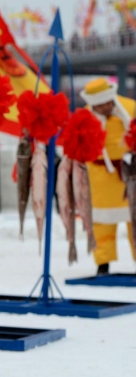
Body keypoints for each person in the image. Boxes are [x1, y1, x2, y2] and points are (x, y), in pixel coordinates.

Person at [80, 78, 136, 274]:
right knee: (102, 222)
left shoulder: (130, 108)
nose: (104, 107)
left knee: (135, 219)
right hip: (100, 175)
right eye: (99, 105)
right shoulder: (84, 118)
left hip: (131, 172)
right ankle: (103, 263)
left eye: (107, 103)